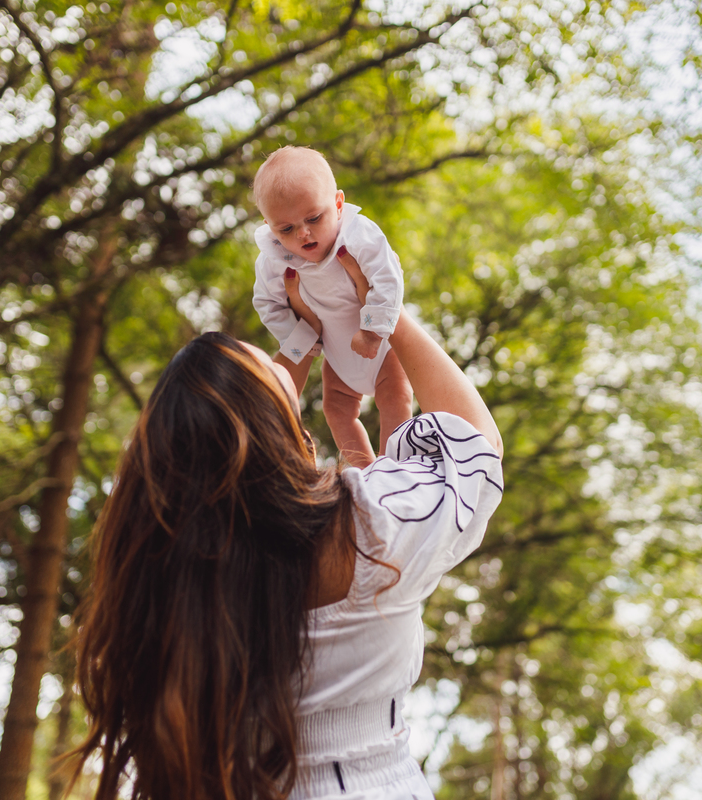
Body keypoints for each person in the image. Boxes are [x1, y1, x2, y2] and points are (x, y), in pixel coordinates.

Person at [72, 249, 503, 800]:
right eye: (275, 374)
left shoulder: (158, 591)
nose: (287, 367)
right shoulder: (371, 526)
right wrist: (381, 308)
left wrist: (303, 339)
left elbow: (247, 444)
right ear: (283, 435)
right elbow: (476, 449)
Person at [251, 146, 412, 467]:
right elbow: (267, 304)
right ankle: (365, 470)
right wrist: (304, 341)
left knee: (395, 399)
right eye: (286, 228)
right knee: (336, 410)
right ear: (270, 227)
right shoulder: (274, 259)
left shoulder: (358, 235)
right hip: (338, 357)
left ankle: (392, 466)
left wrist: (372, 331)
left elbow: (389, 278)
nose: (303, 233)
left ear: (338, 205)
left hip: (384, 349)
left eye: (313, 218)